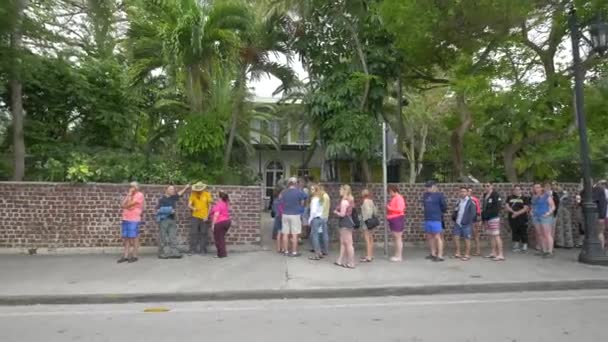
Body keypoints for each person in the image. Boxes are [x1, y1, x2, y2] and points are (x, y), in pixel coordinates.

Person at [156, 184, 190, 259]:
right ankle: (162, 253)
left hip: (172, 220)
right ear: (166, 190)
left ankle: (174, 252)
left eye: (173, 189)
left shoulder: (173, 197)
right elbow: (158, 210)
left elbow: (179, 193)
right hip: (164, 220)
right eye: (171, 189)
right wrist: (169, 210)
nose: (173, 190)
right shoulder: (162, 199)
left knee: (173, 237)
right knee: (163, 237)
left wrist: (186, 187)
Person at [118, 181, 145, 263]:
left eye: (134, 186)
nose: (132, 187)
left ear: (138, 187)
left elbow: (130, 205)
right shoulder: (129, 194)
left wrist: (126, 206)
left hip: (134, 219)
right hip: (125, 218)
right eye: (131, 186)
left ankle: (134, 255)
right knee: (126, 238)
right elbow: (122, 204)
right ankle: (126, 256)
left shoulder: (139, 195)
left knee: (134, 237)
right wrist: (128, 195)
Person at [281, 177, 307, 257]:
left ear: (289, 183)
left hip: (285, 214)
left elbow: (281, 202)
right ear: (295, 183)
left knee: (285, 233)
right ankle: (294, 252)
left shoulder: (284, 192)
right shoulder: (299, 192)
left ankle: (285, 251)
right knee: (294, 234)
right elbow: (303, 202)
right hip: (295, 214)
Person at [422, 181, 447, 262]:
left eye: (429, 187)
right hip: (427, 218)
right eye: (427, 187)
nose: (427, 188)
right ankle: (433, 253)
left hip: (436, 219)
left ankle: (440, 255)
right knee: (429, 236)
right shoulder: (425, 195)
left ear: (434, 187)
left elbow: (444, 207)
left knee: (437, 237)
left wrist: (438, 213)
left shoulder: (439, 195)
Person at [531, 182, 556, 258]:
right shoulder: (534, 197)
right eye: (535, 187)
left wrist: (548, 213)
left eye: (538, 187)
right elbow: (533, 206)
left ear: (542, 188)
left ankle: (550, 251)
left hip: (545, 217)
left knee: (547, 234)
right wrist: (531, 211)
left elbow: (553, 206)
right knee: (540, 234)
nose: (536, 189)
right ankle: (544, 250)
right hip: (536, 217)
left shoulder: (546, 196)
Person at [451, 186, 477, 261]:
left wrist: (468, 221)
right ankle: (458, 252)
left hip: (466, 224)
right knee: (456, 237)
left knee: (467, 239)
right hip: (457, 223)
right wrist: (454, 217)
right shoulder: (458, 201)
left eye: (464, 191)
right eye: (461, 191)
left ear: (467, 192)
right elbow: (456, 210)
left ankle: (467, 254)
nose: (462, 193)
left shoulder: (471, 201)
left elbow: (473, 213)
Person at [334, 184, 356, 269]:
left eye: (340, 190)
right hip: (349, 223)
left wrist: (336, 212)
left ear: (344, 191)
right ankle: (340, 260)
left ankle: (351, 263)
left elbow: (342, 214)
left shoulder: (344, 202)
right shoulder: (350, 200)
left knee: (349, 244)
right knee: (343, 242)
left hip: (345, 223)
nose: (339, 191)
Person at [187, 182, 212, 255]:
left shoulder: (207, 194)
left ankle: (203, 250)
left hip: (204, 217)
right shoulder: (193, 194)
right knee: (193, 233)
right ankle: (192, 250)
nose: (198, 191)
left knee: (203, 233)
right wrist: (193, 208)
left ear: (203, 188)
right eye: (197, 189)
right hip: (195, 216)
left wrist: (207, 216)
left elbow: (210, 206)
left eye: (200, 189)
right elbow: (189, 204)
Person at [482, 182, 505, 261]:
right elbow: (484, 208)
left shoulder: (495, 195)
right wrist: (484, 219)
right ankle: (493, 253)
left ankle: (501, 254)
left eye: (488, 186)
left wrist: (490, 215)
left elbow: (498, 207)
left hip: (494, 218)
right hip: (487, 218)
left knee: (496, 235)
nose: (486, 187)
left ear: (492, 186)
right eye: (484, 186)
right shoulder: (485, 195)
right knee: (491, 236)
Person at [505, 185, 530, 252]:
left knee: (523, 231)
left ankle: (525, 244)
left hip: (522, 217)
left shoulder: (525, 198)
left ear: (521, 190)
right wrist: (513, 212)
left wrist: (517, 213)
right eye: (515, 189)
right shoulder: (509, 197)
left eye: (518, 189)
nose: (516, 191)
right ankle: (516, 244)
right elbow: (507, 206)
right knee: (514, 230)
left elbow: (526, 208)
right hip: (512, 217)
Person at [387, 185, 407, 262]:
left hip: (397, 218)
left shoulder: (399, 198)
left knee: (398, 238)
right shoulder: (395, 198)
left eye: (390, 192)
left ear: (393, 191)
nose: (390, 194)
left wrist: (390, 208)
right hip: (394, 219)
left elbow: (400, 209)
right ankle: (396, 255)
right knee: (396, 238)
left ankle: (399, 256)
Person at [308, 184, 328, 260]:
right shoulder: (321, 198)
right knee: (318, 235)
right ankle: (319, 252)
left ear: (316, 191)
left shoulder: (314, 199)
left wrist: (310, 220)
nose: (311, 191)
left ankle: (317, 253)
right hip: (321, 218)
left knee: (314, 236)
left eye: (313, 189)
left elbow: (313, 211)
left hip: (315, 218)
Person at [210, 191, 231, 258]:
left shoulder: (218, 204)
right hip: (227, 222)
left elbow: (216, 214)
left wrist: (213, 225)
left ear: (219, 197)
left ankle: (221, 254)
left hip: (219, 223)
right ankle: (223, 253)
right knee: (221, 238)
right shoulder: (225, 203)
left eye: (217, 195)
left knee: (218, 239)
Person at [360, 189, 377, 262]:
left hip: (366, 222)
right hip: (372, 222)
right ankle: (371, 254)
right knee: (371, 238)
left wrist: (365, 219)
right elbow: (375, 211)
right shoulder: (371, 201)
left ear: (363, 195)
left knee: (367, 239)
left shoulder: (365, 202)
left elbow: (367, 212)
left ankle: (368, 256)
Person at [467, 186, 482, 256]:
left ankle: (478, 251)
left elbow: (478, 210)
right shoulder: (464, 199)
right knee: (467, 236)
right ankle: (468, 252)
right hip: (466, 221)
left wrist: (478, 220)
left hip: (474, 221)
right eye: (468, 191)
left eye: (470, 191)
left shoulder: (475, 199)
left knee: (476, 236)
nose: (469, 192)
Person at [319, 184, 331, 256]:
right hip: (325, 216)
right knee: (324, 233)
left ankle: (323, 249)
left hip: (321, 216)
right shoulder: (327, 196)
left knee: (321, 234)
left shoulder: (323, 197)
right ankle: (325, 249)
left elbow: (321, 207)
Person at [271, 188, 284, 253]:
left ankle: (278, 248)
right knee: (283, 234)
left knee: (279, 233)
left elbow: (273, 210)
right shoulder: (282, 201)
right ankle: (283, 248)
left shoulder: (275, 201)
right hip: (282, 217)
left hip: (277, 217)